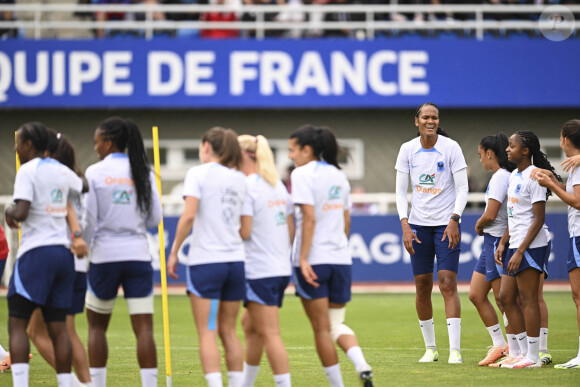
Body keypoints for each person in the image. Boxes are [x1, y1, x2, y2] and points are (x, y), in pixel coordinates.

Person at [289, 125, 373, 387]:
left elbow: (309, 218)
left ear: (307, 149)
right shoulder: (339, 175)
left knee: (321, 330)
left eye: (293, 149)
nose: (291, 155)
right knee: (336, 325)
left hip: (313, 260)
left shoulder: (301, 174)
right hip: (340, 260)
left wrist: (303, 259)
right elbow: (346, 221)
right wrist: (338, 247)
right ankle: (362, 365)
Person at [82, 117, 162, 387]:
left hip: (104, 256)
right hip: (138, 255)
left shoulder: (94, 173)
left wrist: (84, 246)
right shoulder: (144, 171)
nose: (95, 148)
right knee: (144, 330)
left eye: (97, 142)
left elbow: (89, 220)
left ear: (109, 142)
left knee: (96, 327)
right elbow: (154, 219)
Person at [5, 122, 84, 387]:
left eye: (18, 142)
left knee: (17, 322)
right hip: (63, 254)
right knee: (59, 326)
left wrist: (8, 211)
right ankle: (66, 383)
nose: (15, 148)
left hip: (36, 252)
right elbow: (82, 185)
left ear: (28, 144)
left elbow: (22, 211)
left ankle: (20, 384)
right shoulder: (61, 170)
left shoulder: (27, 170)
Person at [167, 127, 247, 387]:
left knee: (208, 331)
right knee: (230, 332)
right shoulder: (240, 178)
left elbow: (189, 215)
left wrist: (174, 251)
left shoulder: (198, 173)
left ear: (206, 147)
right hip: (235, 263)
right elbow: (246, 229)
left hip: (207, 264)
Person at [395, 102, 468, 364]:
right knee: (422, 286)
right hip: (418, 226)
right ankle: (430, 348)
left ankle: (455, 351)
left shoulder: (451, 148)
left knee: (448, 282)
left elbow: (462, 189)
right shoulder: (407, 150)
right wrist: (405, 224)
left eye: (434, 117)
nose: (430, 121)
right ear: (416, 120)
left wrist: (454, 219)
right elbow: (400, 191)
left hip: (446, 225)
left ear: (438, 121)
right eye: (425, 117)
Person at [26, 131, 92, 386]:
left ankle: (74, 384)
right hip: (78, 262)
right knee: (69, 331)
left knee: (34, 331)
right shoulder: (80, 183)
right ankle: (88, 384)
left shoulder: (49, 182)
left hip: (53, 258)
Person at [494, 130, 559, 369]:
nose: (507, 149)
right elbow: (514, 215)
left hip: (531, 246)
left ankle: (534, 357)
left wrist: (520, 250)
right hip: (515, 243)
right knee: (505, 297)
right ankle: (521, 352)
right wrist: (503, 242)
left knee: (528, 299)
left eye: (511, 146)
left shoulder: (536, 176)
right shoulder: (514, 176)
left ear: (525, 150)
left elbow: (538, 219)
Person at [237, 134, 294, 387]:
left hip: (259, 270)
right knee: (249, 325)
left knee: (270, 334)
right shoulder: (276, 185)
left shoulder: (247, 185)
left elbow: (244, 232)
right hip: (280, 269)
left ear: (242, 156)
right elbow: (290, 228)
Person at [533, 119, 580, 369]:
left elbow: (578, 201)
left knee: (578, 295)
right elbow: (572, 193)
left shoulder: (579, 166)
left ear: (564, 140)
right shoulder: (575, 167)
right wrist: (555, 179)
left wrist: (551, 185)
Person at [470, 134, 514, 366]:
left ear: (489, 153)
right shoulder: (501, 176)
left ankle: (516, 349)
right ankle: (500, 345)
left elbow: (491, 214)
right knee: (476, 295)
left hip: (497, 241)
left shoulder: (500, 178)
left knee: (502, 299)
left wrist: (478, 224)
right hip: (491, 242)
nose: (480, 160)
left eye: (480, 155)